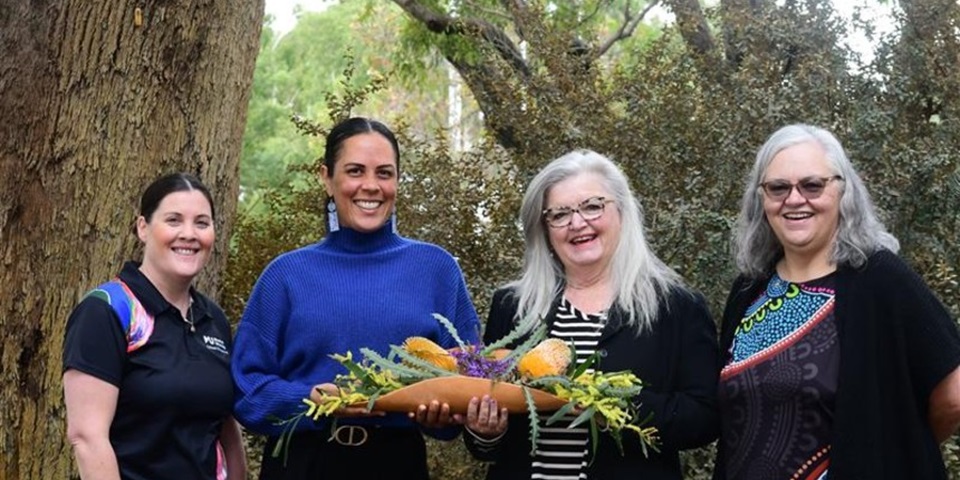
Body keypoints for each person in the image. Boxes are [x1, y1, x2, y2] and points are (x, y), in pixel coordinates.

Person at [231, 116, 481, 479]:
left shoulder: (436, 269)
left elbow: (468, 377)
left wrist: (442, 416)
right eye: (355, 171)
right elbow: (247, 391)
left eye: (384, 173)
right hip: (303, 463)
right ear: (326, 178)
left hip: (398, 465)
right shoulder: (285, 276)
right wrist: (310, 400)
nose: (371, 186)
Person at [714, 124, 960, 480]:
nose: (795, 199)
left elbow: (953, 393)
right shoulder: (749, 291)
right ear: (761, 199)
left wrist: (899, 448)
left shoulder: (880, 279)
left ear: (844, 192)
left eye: (812, 185)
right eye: (778, 188)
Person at [463, 149, 720, 479]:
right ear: (545, 229)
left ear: (622, 212)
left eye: (592, 206)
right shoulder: (514, 306)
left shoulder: (675, 307)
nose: (577, 223)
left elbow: (705, 418)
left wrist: (614, 406)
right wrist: (486, 432)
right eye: (559, 214)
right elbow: (492, 439)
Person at [63, 173, 246, 480]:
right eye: (173, 220)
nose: (189, 234)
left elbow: (224, 423)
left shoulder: (213, 319)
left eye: (202, 223)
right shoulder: (108, 310)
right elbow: (88, 438)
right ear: (143, 228)